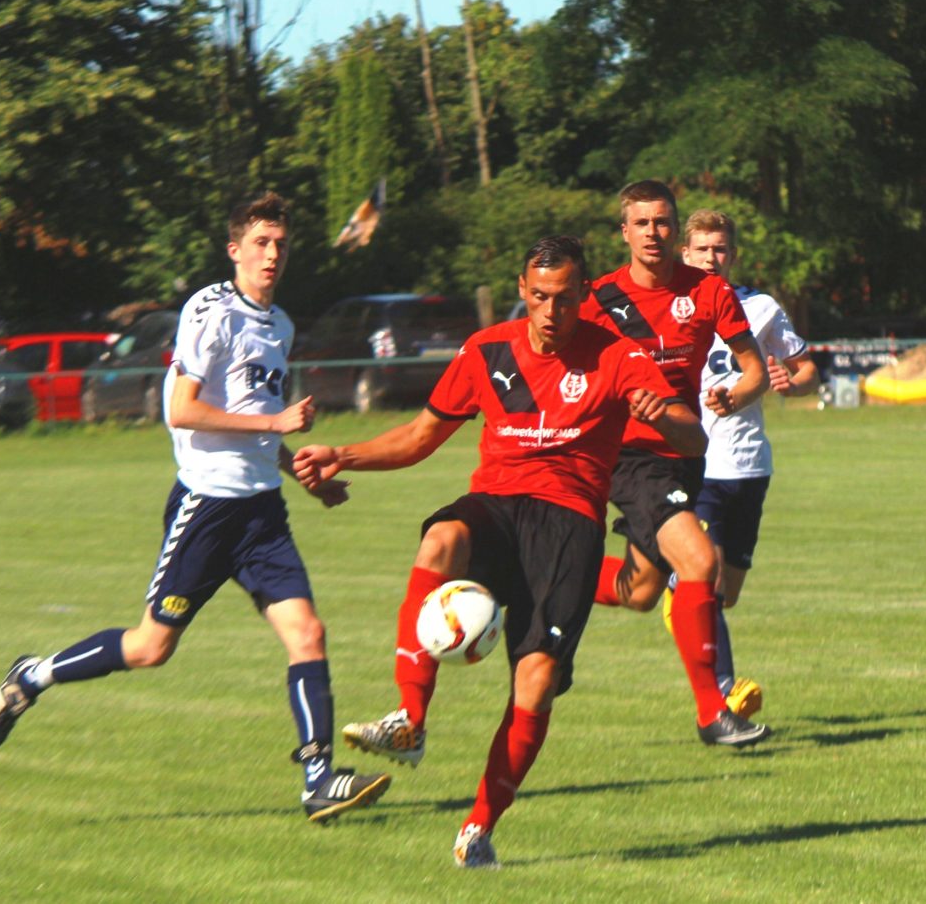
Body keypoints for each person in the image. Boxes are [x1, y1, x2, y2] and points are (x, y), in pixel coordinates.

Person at [293, 235, 706, 868]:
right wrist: (341, 454)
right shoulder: (486, 351)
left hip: (569, 525)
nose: (550, 312)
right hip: (498, 504)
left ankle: (478, 828)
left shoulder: (618, 357)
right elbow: (421, 435)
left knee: (534, 681)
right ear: (521, 290)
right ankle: (409, 718)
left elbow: (693, 438)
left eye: (564, 299)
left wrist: (666, 415)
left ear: (582, 295)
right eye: (539, 297)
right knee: (442, 538)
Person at [0, 191, 391, 825]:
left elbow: (257, 422)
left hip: (261, 514)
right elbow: (182, 410)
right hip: (207, 508)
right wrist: (278, 421)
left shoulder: (278, 324)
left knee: (307, 633)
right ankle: (31, 677)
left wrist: (301, 474)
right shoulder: (210, 310)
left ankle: (318, 780)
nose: (272, 254)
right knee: (151, 648)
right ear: (235, 250)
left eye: (280, 244)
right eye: (260, 243)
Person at [583, 180, 772, 748]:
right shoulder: (598, 300)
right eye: (641, 223)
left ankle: (532, 570)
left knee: (640, 591)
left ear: (676, 227)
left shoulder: (710, 293)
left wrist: (734, 396)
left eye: (662, 222)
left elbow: (754, 369)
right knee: (698, 560)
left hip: (686, 452)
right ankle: (713, 711)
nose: (653, 233)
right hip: (631, 456)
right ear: (625, 231)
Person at [674, 208, 819, 716]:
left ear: (731, 255)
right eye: (702, 249)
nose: (711, 258)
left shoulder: (760, 308)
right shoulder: (668, 311)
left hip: (750, 468)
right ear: (685, 254)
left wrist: (793, 382)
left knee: (724, 595)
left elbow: (807, 371)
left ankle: (682, 603)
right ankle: (725, 697)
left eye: (720, 250)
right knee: (703, 579)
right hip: (697, 467)